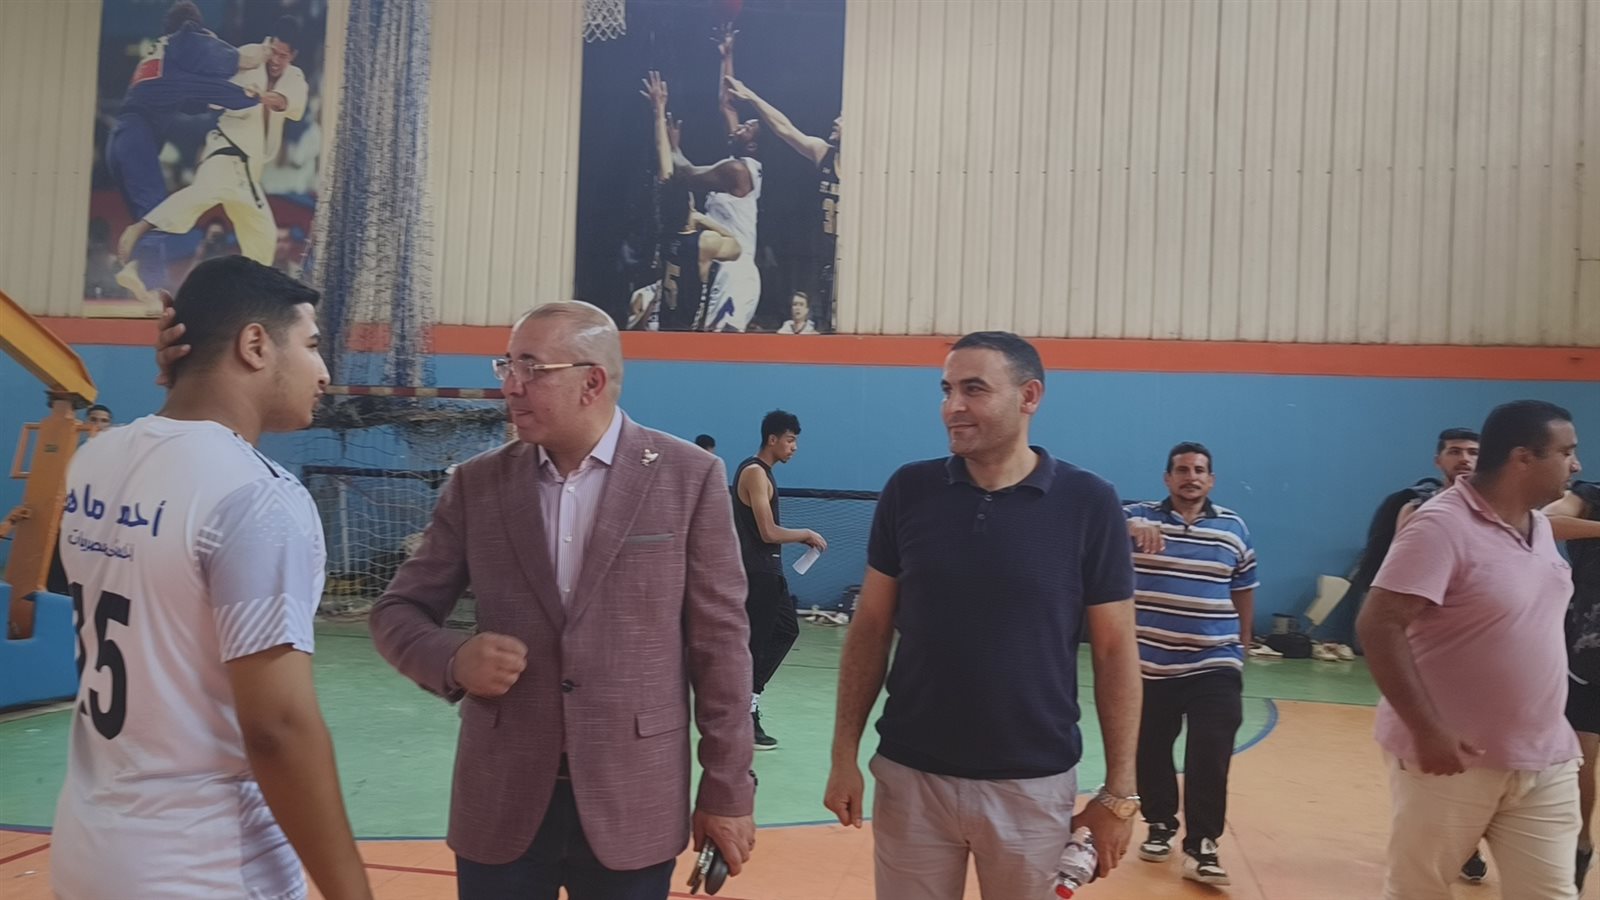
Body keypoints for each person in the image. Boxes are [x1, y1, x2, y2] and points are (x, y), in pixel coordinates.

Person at [367, 301, 757, 899]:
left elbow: (721, 646)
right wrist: (453, 659)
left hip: (634, 799)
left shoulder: (689, 477)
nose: (510, 386)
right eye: (506, 366)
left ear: (591, 382)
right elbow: (397, 612)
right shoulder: (476, 484)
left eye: (531, 368)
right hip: (501, 799)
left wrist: (727, 791)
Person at [53, 256, 370, 900]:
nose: (323, 372)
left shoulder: (95, 459)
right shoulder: (256, 498)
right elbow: (277, 729)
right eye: (311, 345)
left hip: (86, 852)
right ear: (255, 345)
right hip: (205, 869)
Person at [823, 331, 1143, 899]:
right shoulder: (909, 490)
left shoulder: (1089, 503)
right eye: (946, 390)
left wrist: (1120, 793)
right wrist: (843, 755)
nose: (953, 406)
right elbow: (870, 627)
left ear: (1029, 396)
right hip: (911, 778)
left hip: (1033, 787)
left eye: (974, 389)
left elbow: (1116, 651)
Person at [1357, 400, 1583, 900]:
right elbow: (1379, 624)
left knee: (1551, 894)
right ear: (1523, 458)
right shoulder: (1441, 526)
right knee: (1420, 891)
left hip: (1544, 756)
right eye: (1566, 452)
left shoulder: (1538, 526)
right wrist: (1426, 729)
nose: (1576, 465)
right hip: (1454, 758)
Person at [1124, 441, 1257, 885]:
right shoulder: (1138, 517)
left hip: (1214, 661)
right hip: (1149, 663)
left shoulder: (1233, 528)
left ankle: (1203, 844)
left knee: (1210, 750)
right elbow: (1093, 518)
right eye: (1182, 470)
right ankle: (1160, 823)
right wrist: (1130, 525)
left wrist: (1242, 643)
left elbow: (1244, 587)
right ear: (1167, 478)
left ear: (1211, 480)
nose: (1191, 477)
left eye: (1199, 470)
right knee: (1150, 748)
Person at [118, 16, 308, 275]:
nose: (275, 59)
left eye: (283, 55)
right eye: (273, 51)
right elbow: (217, 92)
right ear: (269, 43)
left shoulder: (295, 78)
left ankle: (250, 289)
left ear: (293, 55)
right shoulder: (249, 55)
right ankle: (141, 228)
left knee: (263, 236)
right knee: (205, 192)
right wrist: (238, 91)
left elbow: (285, 103)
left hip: (249, 171)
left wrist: (260, 96)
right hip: (226, 150)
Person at [107, 0, 265, 305]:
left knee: (147, 217)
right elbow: (228, 63)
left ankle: (136, 273)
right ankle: (154, 287)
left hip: (121, 139)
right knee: (157, 214)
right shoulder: (186, 38)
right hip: (137, 137)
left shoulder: (161, 54)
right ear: (193, 28)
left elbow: (192, 96)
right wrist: (251, 88)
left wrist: (226, 98)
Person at [733, 410, 826, 750]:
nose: (794, 447)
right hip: (758, 573)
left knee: (786, 630)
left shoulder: (763, 474)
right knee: (755, 646)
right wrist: (805, 534)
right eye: (790, 440)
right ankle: (744, 715)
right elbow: (768, 532)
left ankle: (748, 701)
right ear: (772, 439)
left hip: (769, 572)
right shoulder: (755, 473)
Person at [723, 75, 839, 331]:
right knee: (823, 322)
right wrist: (751, 97)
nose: (836, 120)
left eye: (842, 119)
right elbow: (784, 128)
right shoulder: (824, 153)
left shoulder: (864, 168)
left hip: (850, 255)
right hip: (824, 254)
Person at [667, 32, 764, 333]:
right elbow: (727, 105)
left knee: (722, 345)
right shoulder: (745, 163)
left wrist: (673, 148)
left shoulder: (734, 171)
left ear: (752, 145)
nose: (740, 125)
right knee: (704, 339)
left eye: (746, 128)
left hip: (736, 271)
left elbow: (686, 174)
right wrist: (726, 57)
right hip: (722, 263)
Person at [633, 73, 744, 333]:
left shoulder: (664, 231)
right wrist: (703, 219)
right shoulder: (705, 242)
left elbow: (665, 173)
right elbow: (737, 248)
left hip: (663, 327)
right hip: (689, 335)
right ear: (690, 207)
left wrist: (658, 112)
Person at [1544, 480, 1600, 890]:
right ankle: (1579, 845)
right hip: (1588, 657)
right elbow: (1545, 522)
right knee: (1580, 760)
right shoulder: (1590, 496)